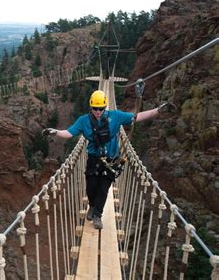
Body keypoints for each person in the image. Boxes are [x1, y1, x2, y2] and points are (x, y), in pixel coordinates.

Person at [42, 90, 175, 229]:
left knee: (103, 189)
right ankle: (92, 206)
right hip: (94, 158)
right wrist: (55, 132)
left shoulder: (115, 116)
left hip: (111, 160)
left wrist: (158, 111)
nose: (98, 112)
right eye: (95, 108)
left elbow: (137, 117)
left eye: (101, 108)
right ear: (91, 107)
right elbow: (69, 133)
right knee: (91, 187)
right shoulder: (84, 121)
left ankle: (97, 215)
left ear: (105, 107)